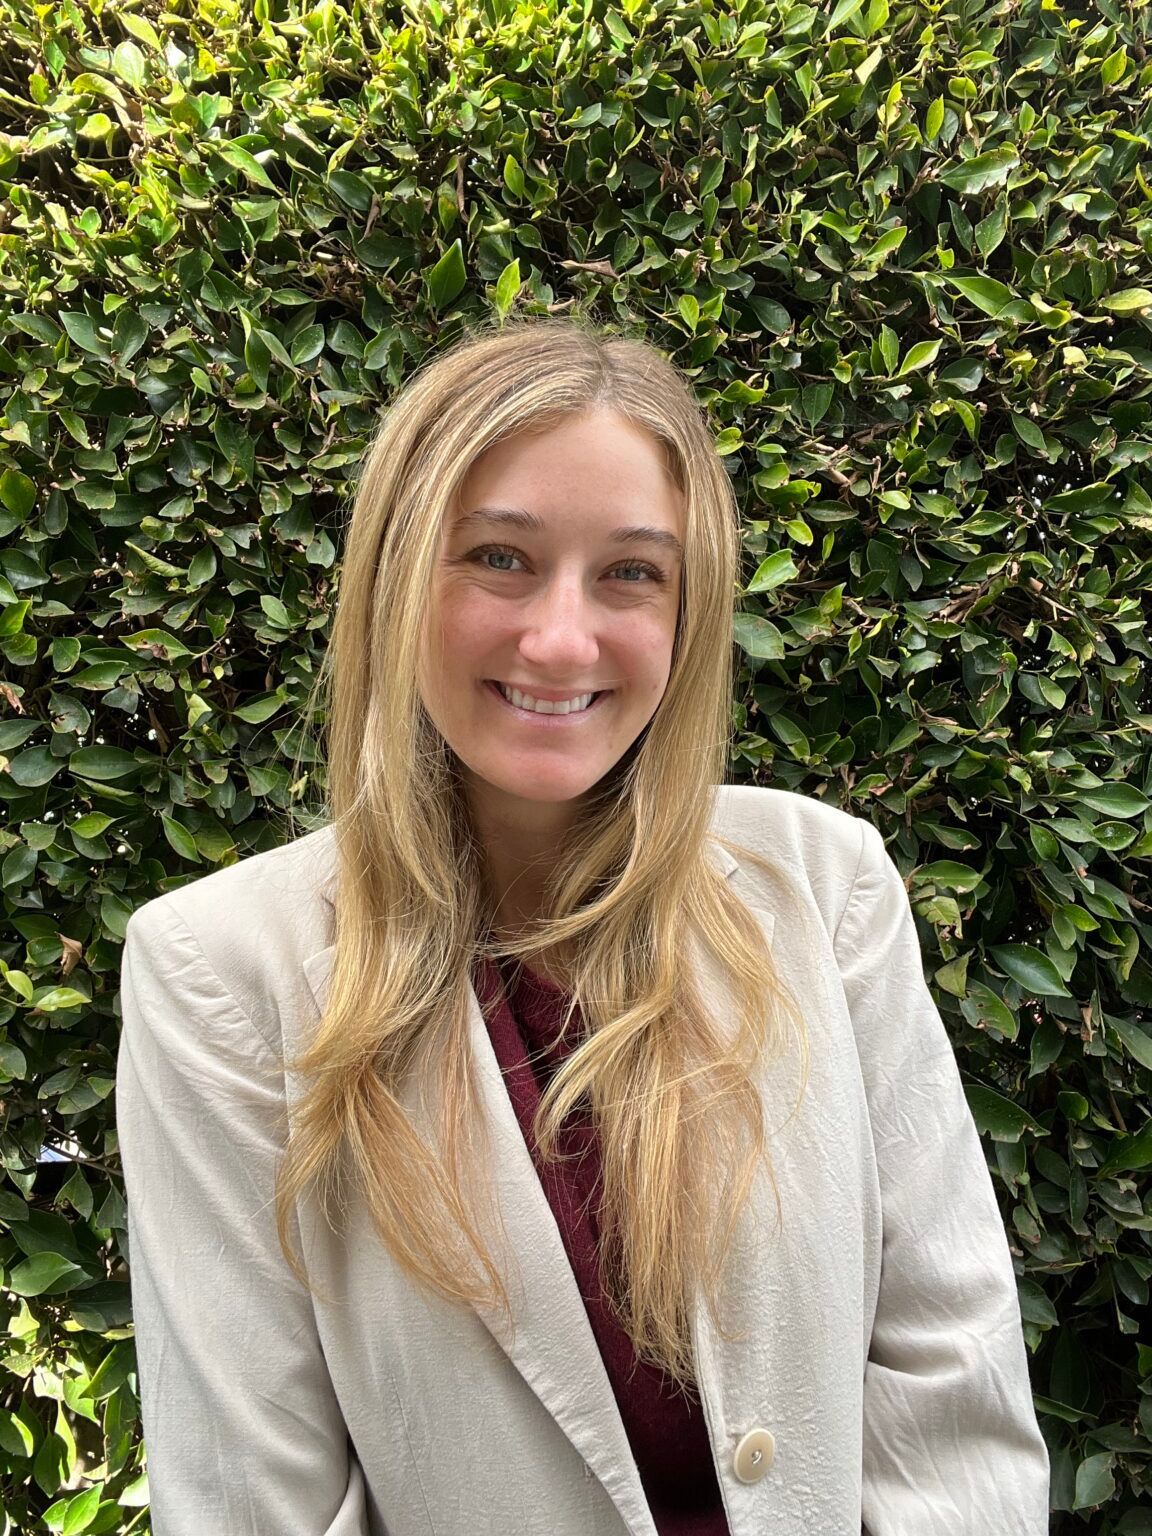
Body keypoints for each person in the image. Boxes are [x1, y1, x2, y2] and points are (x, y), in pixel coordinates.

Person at [115, 317, 1051, 1536]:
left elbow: (951, 1386)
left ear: (689, 606)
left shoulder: (823, 887)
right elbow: (252, 1500)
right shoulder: (221, 972)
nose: (562, 638)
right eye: (499, 557)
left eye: (631, 573)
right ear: (398, 577)